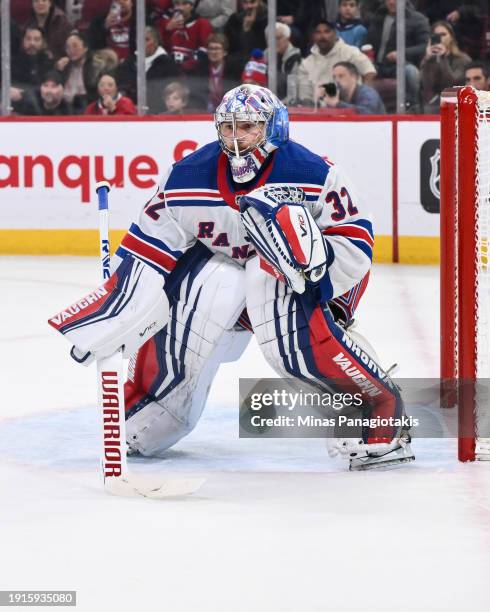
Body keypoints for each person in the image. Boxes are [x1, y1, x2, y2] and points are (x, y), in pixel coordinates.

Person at [52, 84, 415, 471]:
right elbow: (147, 254)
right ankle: (158, 403)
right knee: (205, 286)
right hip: (225, 293)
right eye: (228, 128)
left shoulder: (314, 173)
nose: (236, 138)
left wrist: (322, 284)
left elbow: (355, 247)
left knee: (269, 279)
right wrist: (118, 311)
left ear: (273, 128)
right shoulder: (187, 176)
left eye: (247, 127)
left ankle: (377, 407)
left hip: (297, 288)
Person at [366, 0, 429, 111]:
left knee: (410, 72)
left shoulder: (417, 19)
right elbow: (367, 41)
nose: (392, 2)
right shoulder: (377, 17)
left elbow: (424, 46)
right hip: (376, 65)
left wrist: (402, 53)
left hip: (399, 65)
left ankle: (412, 108)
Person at [297, 20, 376, 106]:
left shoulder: (351, 52)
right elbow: (305, 94)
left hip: (349, 107)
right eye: (318, 32)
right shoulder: (306, 63)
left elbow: (369, 72)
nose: (322, 36)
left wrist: (363, 98)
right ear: (313, 37)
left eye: (327, 32)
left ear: (335, 34)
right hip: (319, 112)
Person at [116, 26, 179, 111]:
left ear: (156, 42)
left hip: (158, 112)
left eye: (146, 39)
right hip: (130, 111)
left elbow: (170, 92)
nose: (142, 43)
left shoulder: (168, 64)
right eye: (139, 39)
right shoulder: (129, 62)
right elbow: (121, 86)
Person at [420, 21, 471, 113]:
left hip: (456, 100)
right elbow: (426, 86)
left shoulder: (463, 59)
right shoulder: (429, 59)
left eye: (443, 34)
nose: (440, 38)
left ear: (451, 37)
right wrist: (428, 60)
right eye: (436, 35)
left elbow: (452, 84)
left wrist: (443, 58)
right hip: (433, 102)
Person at [187, 33, 241, 112]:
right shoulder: (199, 70)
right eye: (210, 49)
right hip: (204, 113)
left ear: (225, 52)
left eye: (217, 48)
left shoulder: (233, 70)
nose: (213, 52)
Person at [157, 0, 213, 72]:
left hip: (193, 71)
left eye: (185, 3)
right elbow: (160, 48)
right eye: (177, 3)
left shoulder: (202, 23)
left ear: (192, 6)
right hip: (169, 69)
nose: (180, 7)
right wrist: (167, 30)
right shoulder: (166, 23)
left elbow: (204, 50)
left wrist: (183, 66)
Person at [56, 32, 102, 114]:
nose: (71, 50)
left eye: (75, 46)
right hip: (64, 109)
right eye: (68, 47)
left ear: (85, 48)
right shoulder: (64, 66)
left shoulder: (95, 66)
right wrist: (58, 71)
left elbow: (95, 91)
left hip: (86, 108)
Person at [318, 61, 386, 114]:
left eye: (341, 76)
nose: (337, 80)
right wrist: (321, 100)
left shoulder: (367, 92)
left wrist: (337, 104)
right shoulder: (339, 93)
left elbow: (368, 112)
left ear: (354, 77)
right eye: (334, 77)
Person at [264, 22, 302, 101]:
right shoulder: (263, 57)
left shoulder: (296, 58)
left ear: (287, 38)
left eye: (278, 38)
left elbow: (293, 91)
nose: (274, 42)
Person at [224, 0, 268, 66]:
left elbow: (262, 48)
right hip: (236, 61)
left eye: (252, 2)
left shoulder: (268, 19)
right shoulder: (234, 19)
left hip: (260, 61)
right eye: (245, 2)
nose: (249, 6)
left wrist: (248, 31)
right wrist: (244, 30)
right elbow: (230, 47)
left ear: (259, 1)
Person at [11, 26, 54, 93]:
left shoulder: (49, 63)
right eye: (28, 39)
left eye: (36, 39)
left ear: (43, 42)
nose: (32, 43)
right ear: (23, 41)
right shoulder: (14, 62)